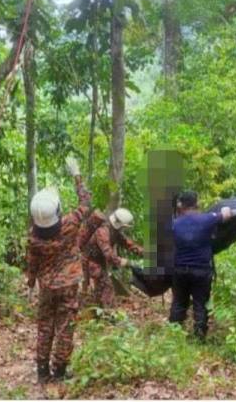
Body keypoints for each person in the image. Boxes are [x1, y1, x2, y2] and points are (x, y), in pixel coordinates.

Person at [25, 157, 92, 384]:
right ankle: (60, 371)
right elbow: (86, 204)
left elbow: (32, 263)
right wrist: (77, 176)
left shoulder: (33, 237)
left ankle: (42, 371)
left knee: (45, 327)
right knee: (65, 327)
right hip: (69, 285)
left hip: (47, 286)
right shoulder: (69, 225)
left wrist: (30, 284)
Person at [168, 190, 232, 340]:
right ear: (197, 203)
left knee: (178, 302)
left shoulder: (174, 224)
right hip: (201, 271)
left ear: (180, 205)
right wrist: (223, 209)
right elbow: (227, 214)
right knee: (200, 303)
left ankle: (174, 334)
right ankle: (199, 335)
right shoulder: (207, 219)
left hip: (180, 270)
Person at [82, 208, 144, 307]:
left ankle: (98, 308)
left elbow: (128, 244)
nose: (124, 229)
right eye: (123, 227)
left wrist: (145, 253)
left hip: (99, 262)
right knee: (106, 287)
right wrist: (124, 262)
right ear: (119, 224)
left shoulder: (114, 231)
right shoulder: (102, 232)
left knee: (102, 286)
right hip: (91, 261)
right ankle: (106, 312)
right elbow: (109, 255)